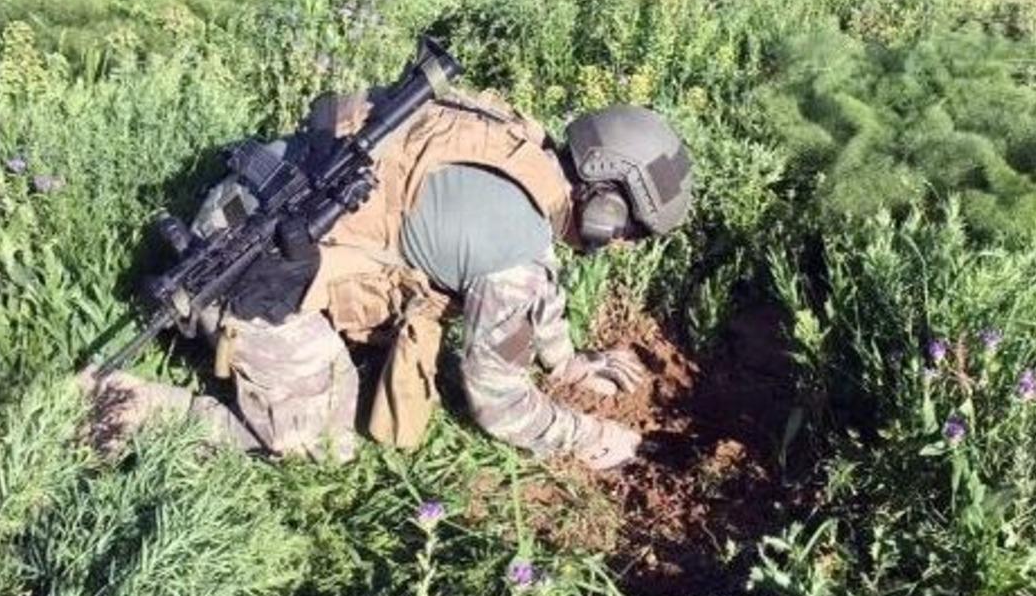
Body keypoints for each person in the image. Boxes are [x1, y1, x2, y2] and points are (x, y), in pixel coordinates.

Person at [85, 81, 692, 471]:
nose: (623, 246)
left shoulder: (524, 152)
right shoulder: (515, 258)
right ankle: (111, 406)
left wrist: (568, 363)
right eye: (630, 230)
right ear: (608, 204)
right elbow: (499, 406)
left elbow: (534, 277)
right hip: (243, 267)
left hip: (251, 207)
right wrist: (588, 438)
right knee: (322, 448)